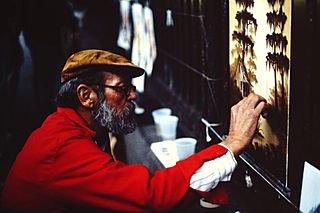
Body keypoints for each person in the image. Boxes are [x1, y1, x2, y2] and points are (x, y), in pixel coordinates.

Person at [1, 49, 266, 212]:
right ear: (86, 95)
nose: (133, 95)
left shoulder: (83, 126)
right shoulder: (62, 147)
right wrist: (231, 144)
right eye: (122, 88)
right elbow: (151, 195)